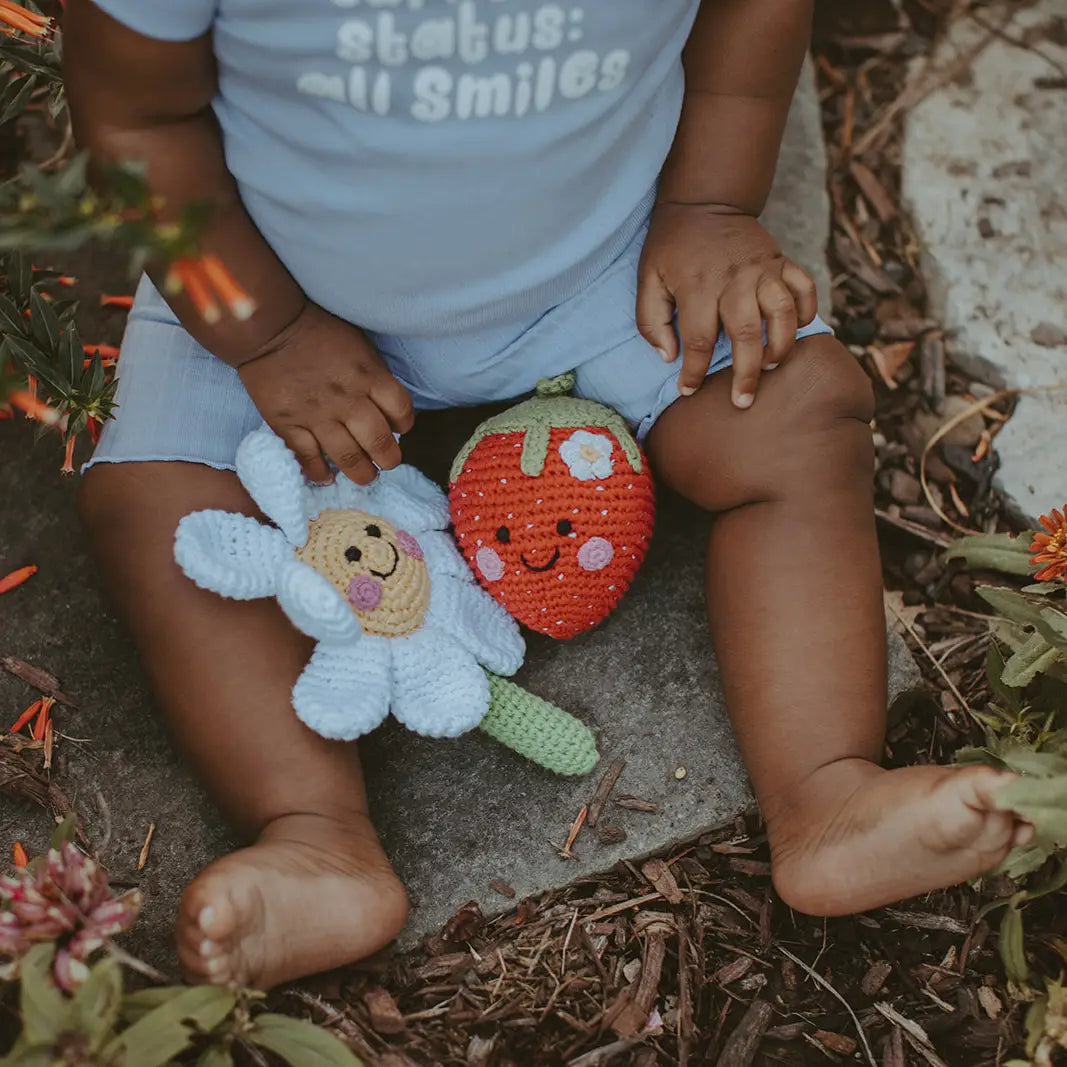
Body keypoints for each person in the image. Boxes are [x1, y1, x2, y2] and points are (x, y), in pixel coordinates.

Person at [65, 0, 1030, 989]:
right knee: (161, 508)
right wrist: (263, 334)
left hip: (601, 265)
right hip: (262, 284)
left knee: (793, 411)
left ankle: (826, 791)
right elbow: (135, 121)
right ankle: (312, 832)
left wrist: (708, 207)